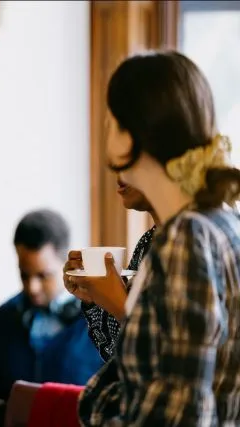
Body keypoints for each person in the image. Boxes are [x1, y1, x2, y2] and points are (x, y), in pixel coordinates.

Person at [68, 51, 240, 426]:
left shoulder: (187, 237)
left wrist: (97, 405)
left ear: (132, 133)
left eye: (110, 121)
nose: (105, 133)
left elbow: (179, 412)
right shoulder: (221, 223)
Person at [0, 209, 103, 406]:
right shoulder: (4, 317)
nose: (32, 287)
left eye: (43, 275)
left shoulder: (101, 321)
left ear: (67, 263)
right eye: (24, 275)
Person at [64, 177, 157, 361]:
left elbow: (167, 360)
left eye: (128, 161)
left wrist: (122, 308)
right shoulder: (149, 242)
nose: (119, 177)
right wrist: (94, 301)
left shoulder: (185, 242)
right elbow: (116, 355)